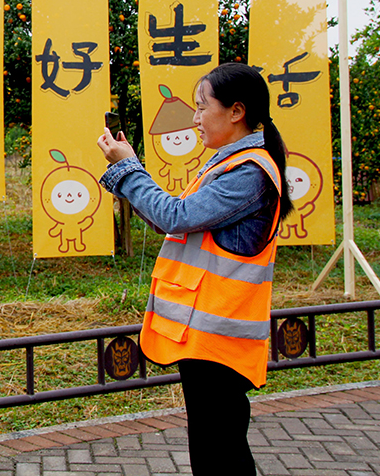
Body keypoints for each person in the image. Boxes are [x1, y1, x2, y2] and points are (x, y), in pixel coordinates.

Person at [96, 63, 293, 476]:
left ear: (236, 111)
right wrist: (127, 172)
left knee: (219, 455)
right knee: (218, 449)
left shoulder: (248, 172)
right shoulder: (229, 165)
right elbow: (177, 222)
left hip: (218, 337)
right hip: (206, 333)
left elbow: (177, 216)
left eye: (202, 107)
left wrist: (128, 169)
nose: (195, 118)